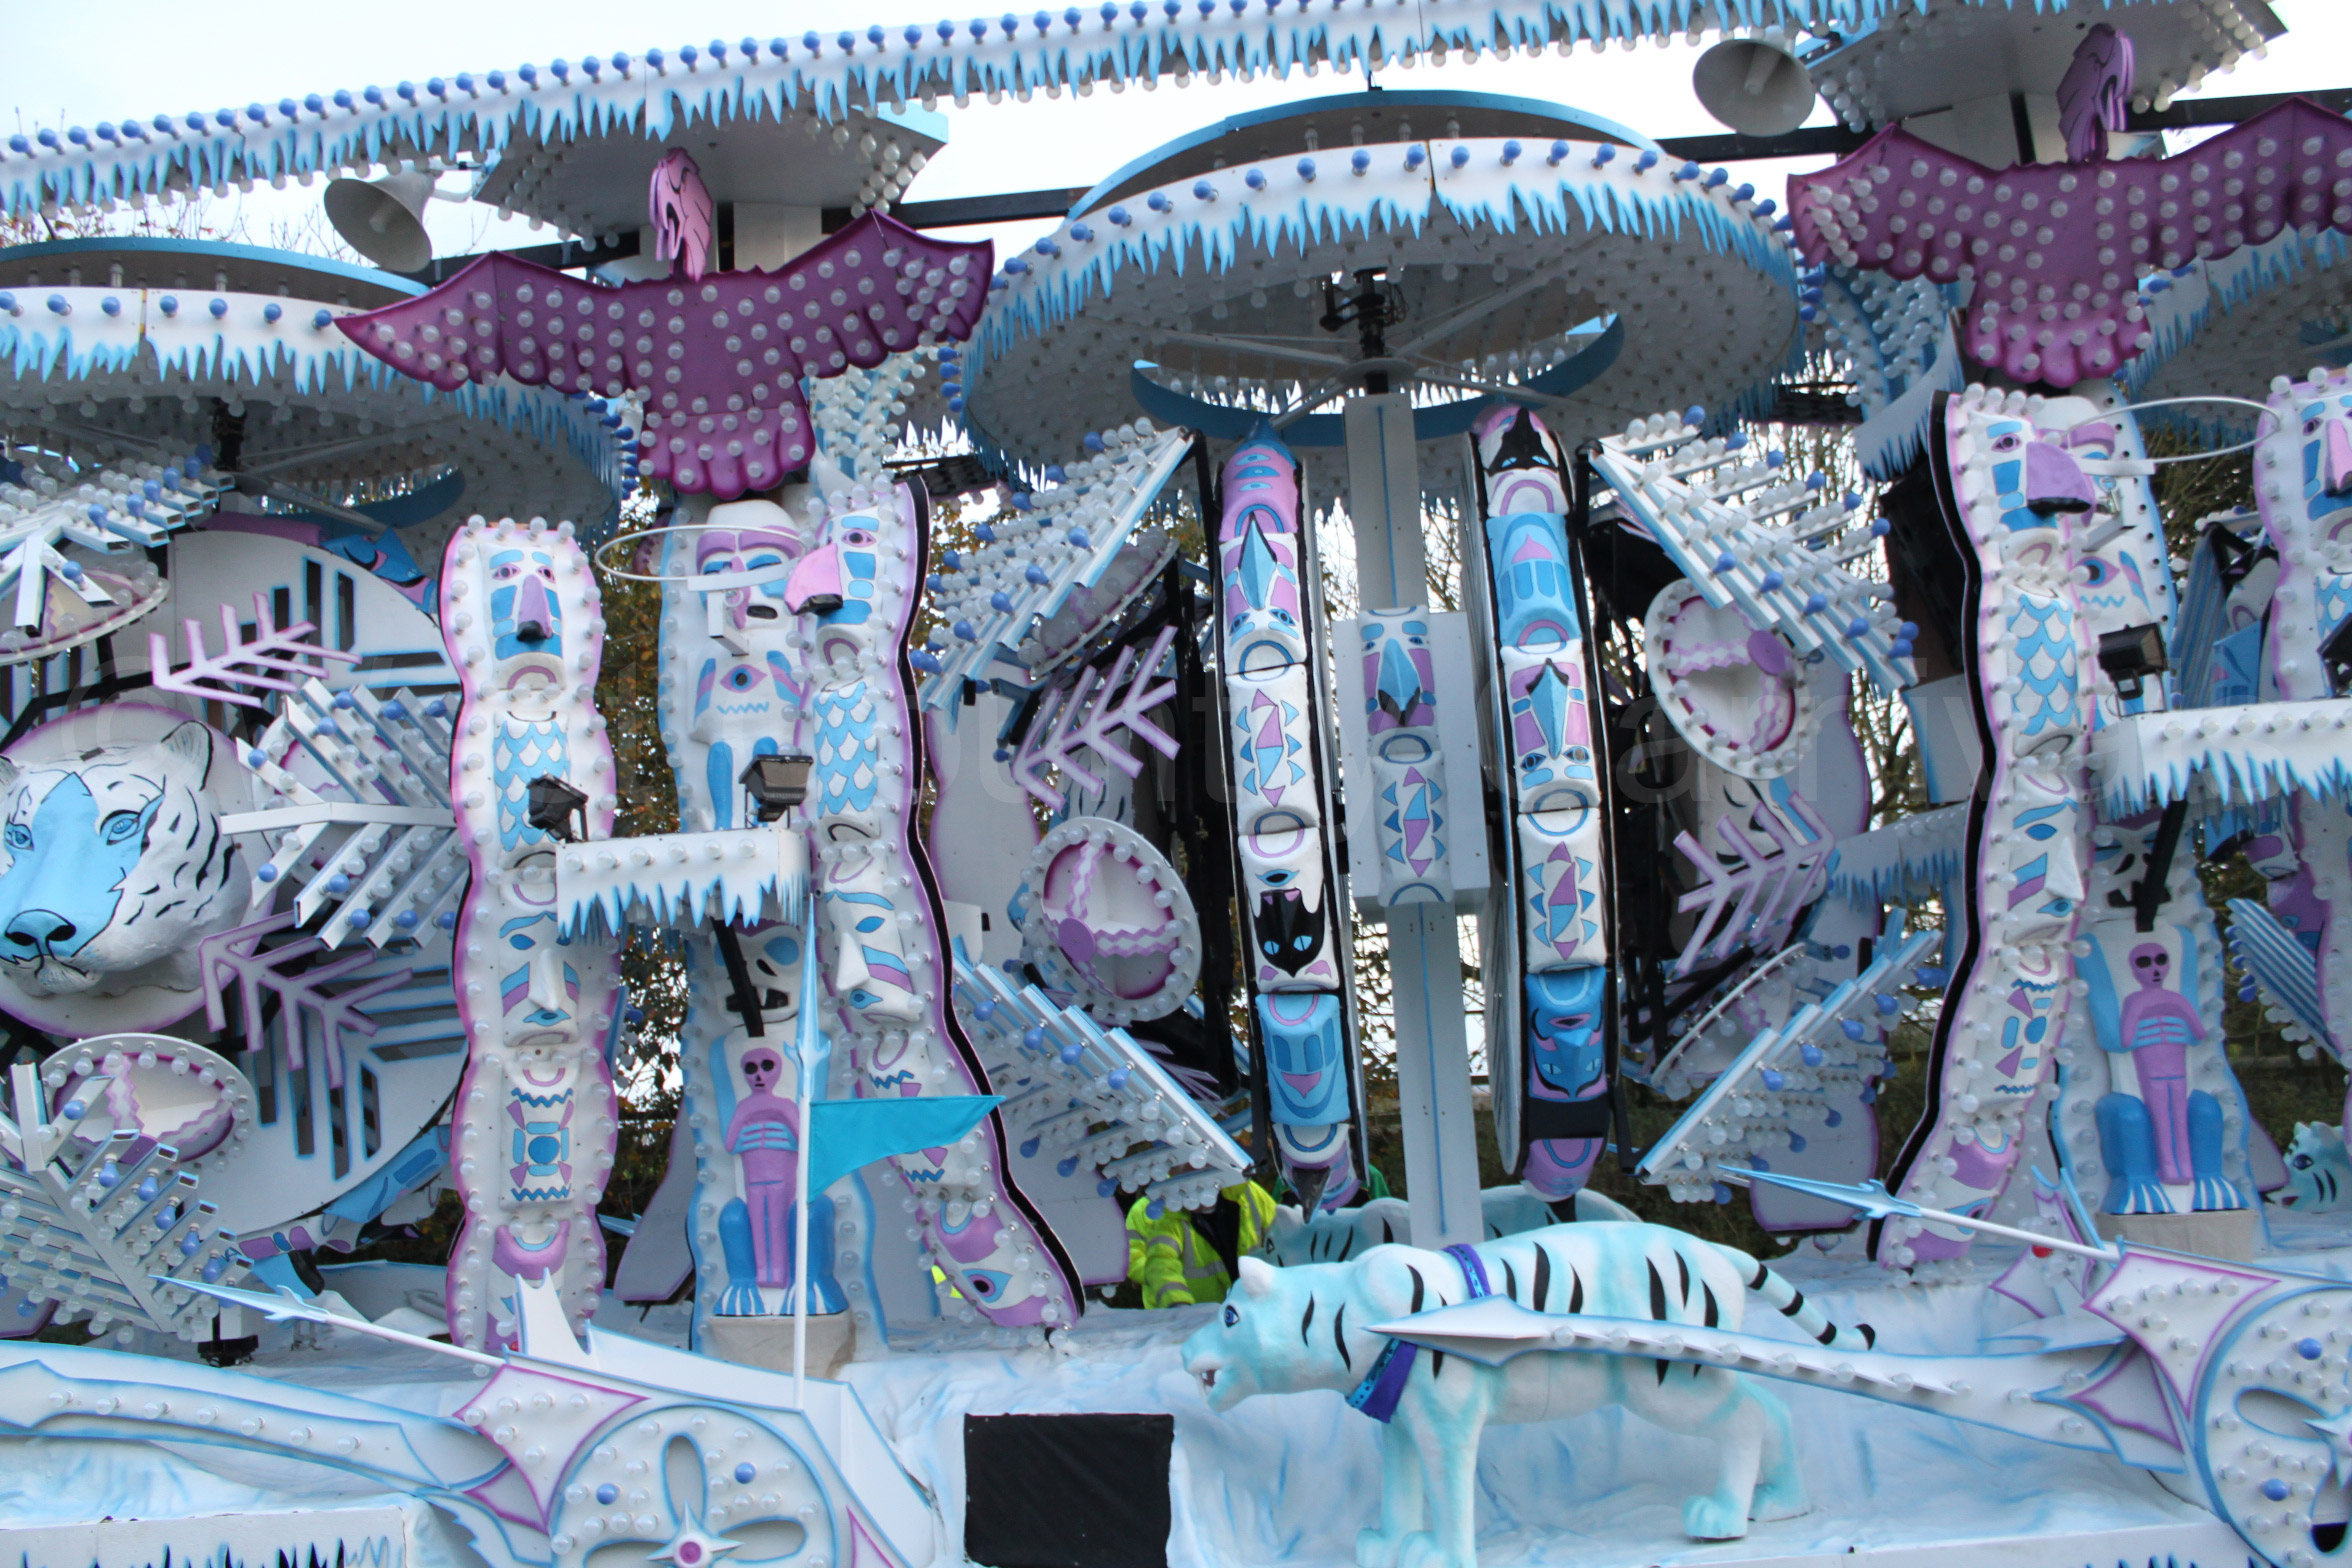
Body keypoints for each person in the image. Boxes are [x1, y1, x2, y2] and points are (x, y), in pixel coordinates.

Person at [1125, 1178, 1278, 1308]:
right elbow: (1134, 1258)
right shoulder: (1146, 1211)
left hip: (1239, 1306)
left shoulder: (1246, 1192)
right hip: (1188, 1310)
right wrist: (1155, 1277)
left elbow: (1280, 1235)